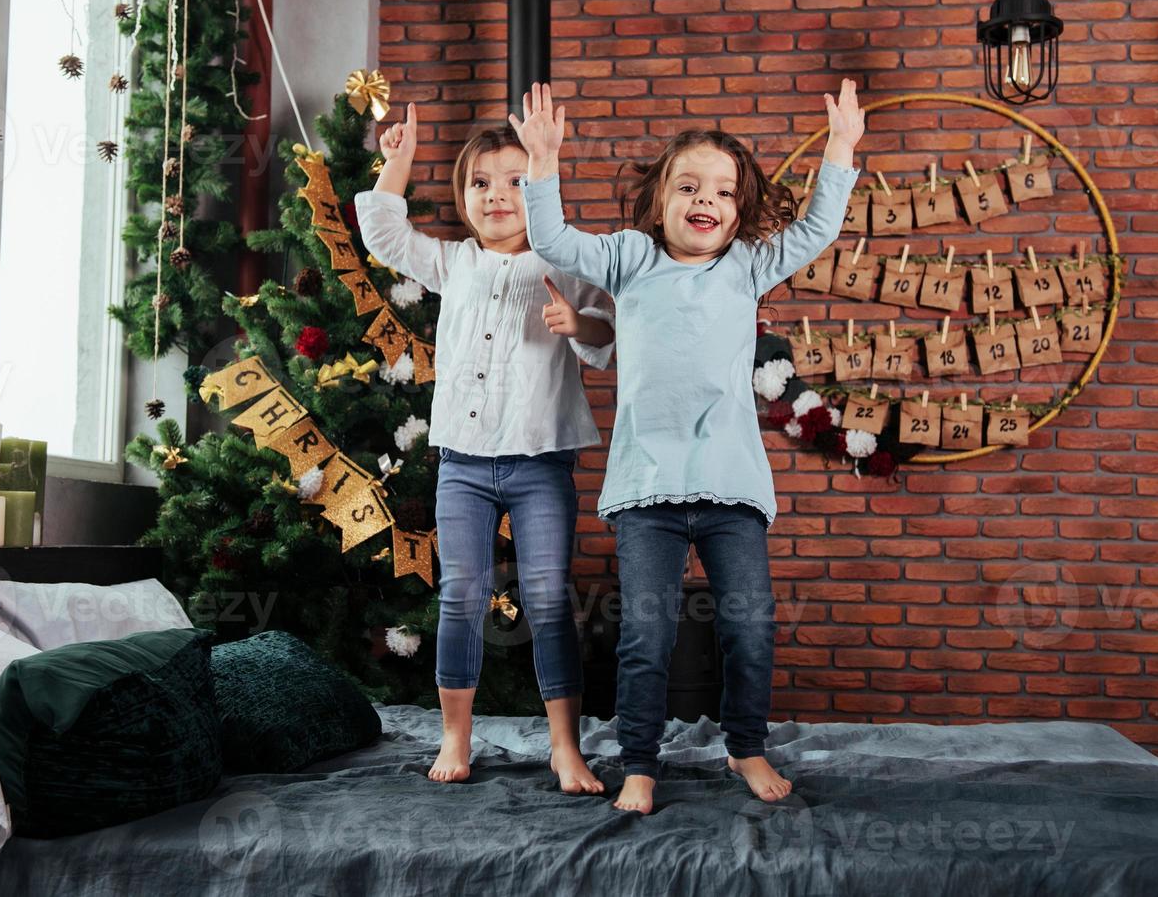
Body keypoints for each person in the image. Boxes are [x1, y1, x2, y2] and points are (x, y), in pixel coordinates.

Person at [511, 80, 864, 813]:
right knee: (647, 636)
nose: (706, 200)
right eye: (689, 186)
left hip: (732, 487)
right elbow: (552, 241)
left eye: (724, 192)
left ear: (737, 212)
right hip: (647, 489)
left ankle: (745, 747)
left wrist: (839, 151)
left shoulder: (745, 266)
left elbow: (814, 232)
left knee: (749, 626)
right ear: (660, 199)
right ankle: (639, 761)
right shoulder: (630, 259)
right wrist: (542, 164)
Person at [354, 106, 616, 794]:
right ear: (464, 196)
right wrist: (400, 160)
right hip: (463, 464)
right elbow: (382, 230)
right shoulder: (454, 261)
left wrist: (575, 320)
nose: (496, 195)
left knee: (546, 598)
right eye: (479, 183)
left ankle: (565, 746)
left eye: (513, 181)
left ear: (538, 191)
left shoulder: (566, 263)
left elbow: (608, 338)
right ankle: (455, 735)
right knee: (461, 594)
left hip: (540, 460)